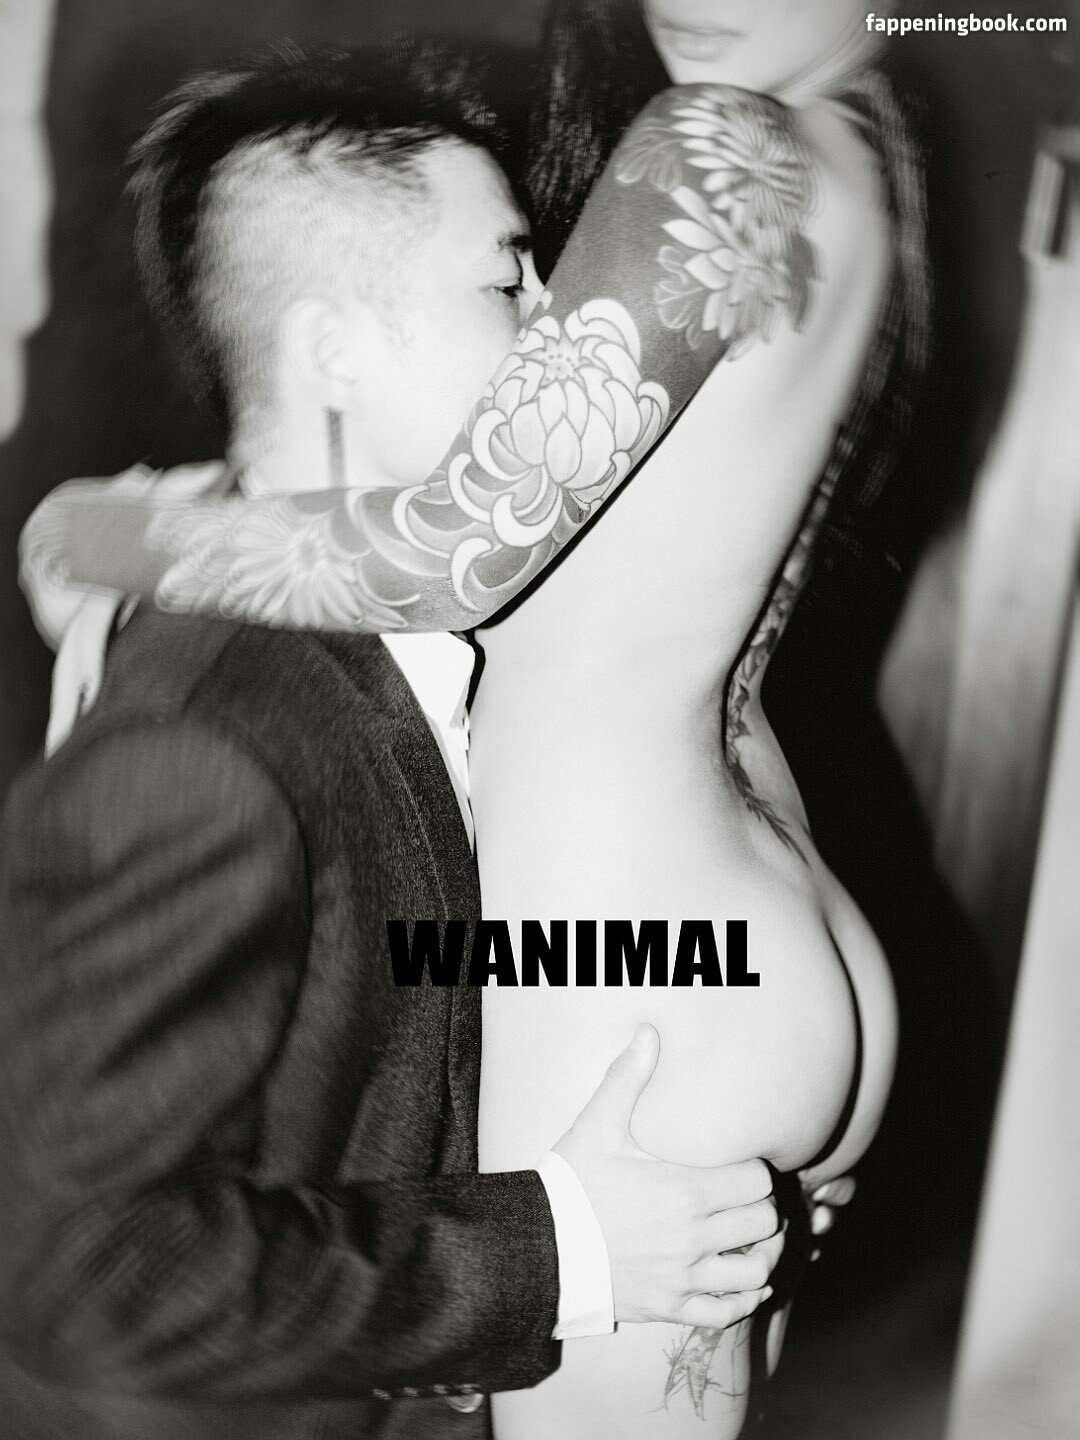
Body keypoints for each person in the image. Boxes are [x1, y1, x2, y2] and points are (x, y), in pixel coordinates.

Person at [22, 1, 927, 1434]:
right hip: (752, 893)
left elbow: (465, 538)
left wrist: (86, 531)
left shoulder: (725, 137)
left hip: (634, 944)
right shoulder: (865, 165)